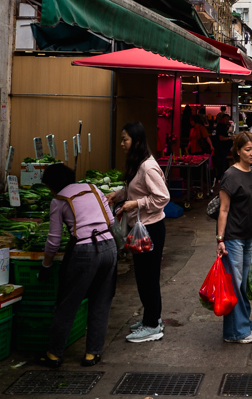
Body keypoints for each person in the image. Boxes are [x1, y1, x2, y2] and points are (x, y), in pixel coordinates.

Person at [37, 163, 117, 368]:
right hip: (109, 246)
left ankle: (54, 354)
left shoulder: (59, 200)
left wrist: (46, 266)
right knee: (101, 301)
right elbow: (110, 220)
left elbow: (53, 241)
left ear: (52, 186)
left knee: (68, 302)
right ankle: (92, 353)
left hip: (85, 251)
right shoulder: (93, 188)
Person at [109, 122, 170, 344]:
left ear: (136, 140)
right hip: (141, 227)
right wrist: (119, 195)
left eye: (125, 139)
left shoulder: (148, 167)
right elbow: (137, 188)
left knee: (148, 277)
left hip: (151, 229)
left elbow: (162, 197)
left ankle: (152, 325)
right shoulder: (138, 165)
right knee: (143, 276)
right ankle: (150, 318)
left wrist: (134, 204)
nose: (122, 143)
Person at [216, 131, 252, 343]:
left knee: (242, 285)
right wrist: (220, 239)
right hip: (232, 237)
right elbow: (223, 210)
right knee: (234, 285)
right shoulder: (230, 176)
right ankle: (236, 332)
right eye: (247, 150)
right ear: (238, 151)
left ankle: (243, 326)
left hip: (245, 236)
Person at [212, 112, 233, 185]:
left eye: (228, 119)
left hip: (224, 148)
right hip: (221, 148)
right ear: (222, 119)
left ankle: (222, 177)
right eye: (226, 119)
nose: (227, 121)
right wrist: (230, 138)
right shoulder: (220, 126)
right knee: (222, 163)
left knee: (223, 163)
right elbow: (221, 138)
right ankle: (220, 178)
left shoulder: (223, 126)